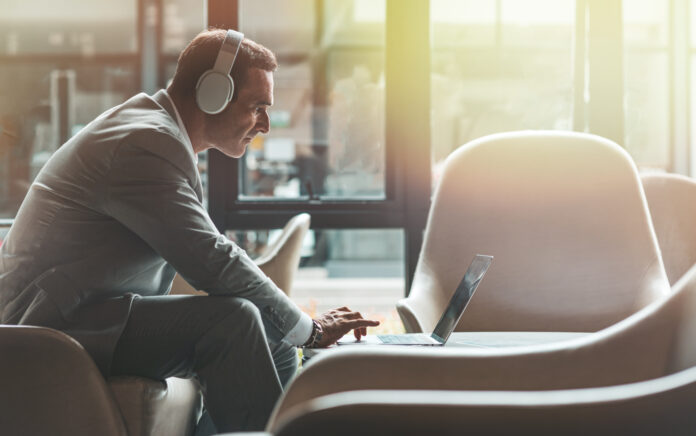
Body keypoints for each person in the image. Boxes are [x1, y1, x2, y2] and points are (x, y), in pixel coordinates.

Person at [0, 28, 379, 433]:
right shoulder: (144, 142)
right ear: (211, 92)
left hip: (92, 310)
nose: (265, 124)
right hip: (47, 327)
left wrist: (296, 330)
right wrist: (311, 329)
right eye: (257, 107)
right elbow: (211, 259)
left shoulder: (158, 134)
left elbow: (209, 254)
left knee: (276, 339)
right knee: (231, 321)